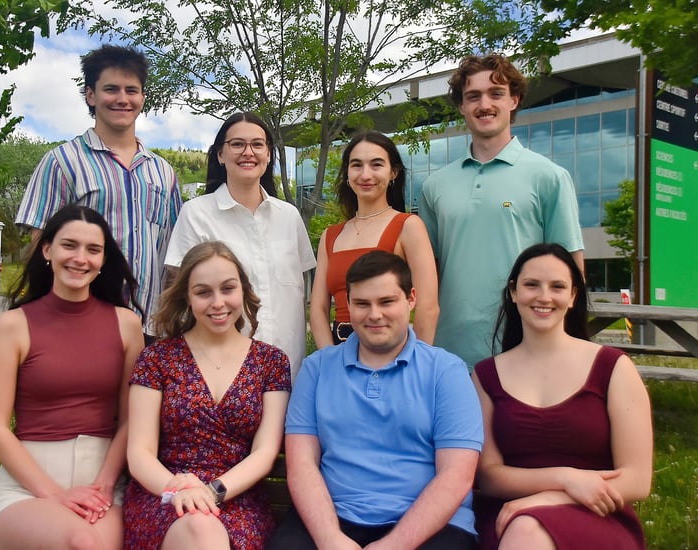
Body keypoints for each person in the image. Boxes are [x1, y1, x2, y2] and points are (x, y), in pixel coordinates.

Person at [269, 250, 483, 549]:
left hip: (430, 524)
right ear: (347, 305)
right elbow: (301, 464)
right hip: (331, 516)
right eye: (362, 303)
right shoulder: (317, 368)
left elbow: (456, 476)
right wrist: (330, 538)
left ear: (410, 299)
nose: (374, 315)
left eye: (386, 302)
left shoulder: (446, 371)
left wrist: (393, 545)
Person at [0, 204, 146, 549]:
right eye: (69, 245)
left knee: (91, 543)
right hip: (26, 488)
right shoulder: (13, 326)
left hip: (104, 484)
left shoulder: (127, 325)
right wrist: (53, 494)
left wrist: (105, 483)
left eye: (93, 249)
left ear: (103, 260)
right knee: (81, 542)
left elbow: (131, 419)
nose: (80, 258)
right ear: (47, 250)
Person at [472, 243, 651, 549]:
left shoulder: (612, 367)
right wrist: (565, 478)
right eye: (532, 285)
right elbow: (488, 477)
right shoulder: (486, 375)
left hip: (595, 513)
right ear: (513, 292)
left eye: (557, 286)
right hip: (505, 514)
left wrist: (550, 498)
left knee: (526, 529)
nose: (544, 296)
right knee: (524, 529)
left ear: (572, 296)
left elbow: (637, 479)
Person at [419, 53, 585, 370]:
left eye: (496, 93)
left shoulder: (549, 177)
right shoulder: (434, 186)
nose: (485, 104)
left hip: (526, 353)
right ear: (461, 106)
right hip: (448, 355)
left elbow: (571, 272)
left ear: (514, 100)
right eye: (473, 96)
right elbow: (428, 276)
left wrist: (570, 352)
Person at [124, 241, 291, 550]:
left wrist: (211, 491)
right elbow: (139, 452)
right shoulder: (157, 358)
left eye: (228, 289)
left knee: (204, 529)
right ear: (187, 297)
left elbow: (265, 451)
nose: (218, 302)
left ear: (243, 291)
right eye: (203, 292)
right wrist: (180, 491)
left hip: (236, 498)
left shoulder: (271, 362)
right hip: (164, 494)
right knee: (199, 528)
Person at [15, 44, 183, 340]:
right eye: (111, 89)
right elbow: (41, 243)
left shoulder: (164, 172)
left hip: (151, 327)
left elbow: (173, 255)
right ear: (90, 95)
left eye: (131, 90)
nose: (122, 99)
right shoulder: (62, 162)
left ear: (143, 97)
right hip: (82, 324)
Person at [164, 112, 315, 378]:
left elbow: (304, 290)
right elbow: (179, 293)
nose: (248, 152)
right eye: (237, 144)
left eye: (257, 144)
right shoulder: (196, 213)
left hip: (290, 369)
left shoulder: (289, 216)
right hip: (221, 374)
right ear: (220, 155)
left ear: (268, 154)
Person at [309, 130, 439, 348]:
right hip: (338, 352)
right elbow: (318, 309)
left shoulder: (409, 226)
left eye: (376, 165)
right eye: (356, 165)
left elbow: (428, 307)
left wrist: (415, 362)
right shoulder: (330, 236)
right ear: (347, 173)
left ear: (393, 172)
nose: (365, 175)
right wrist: (329, 358)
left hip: (392, 353)